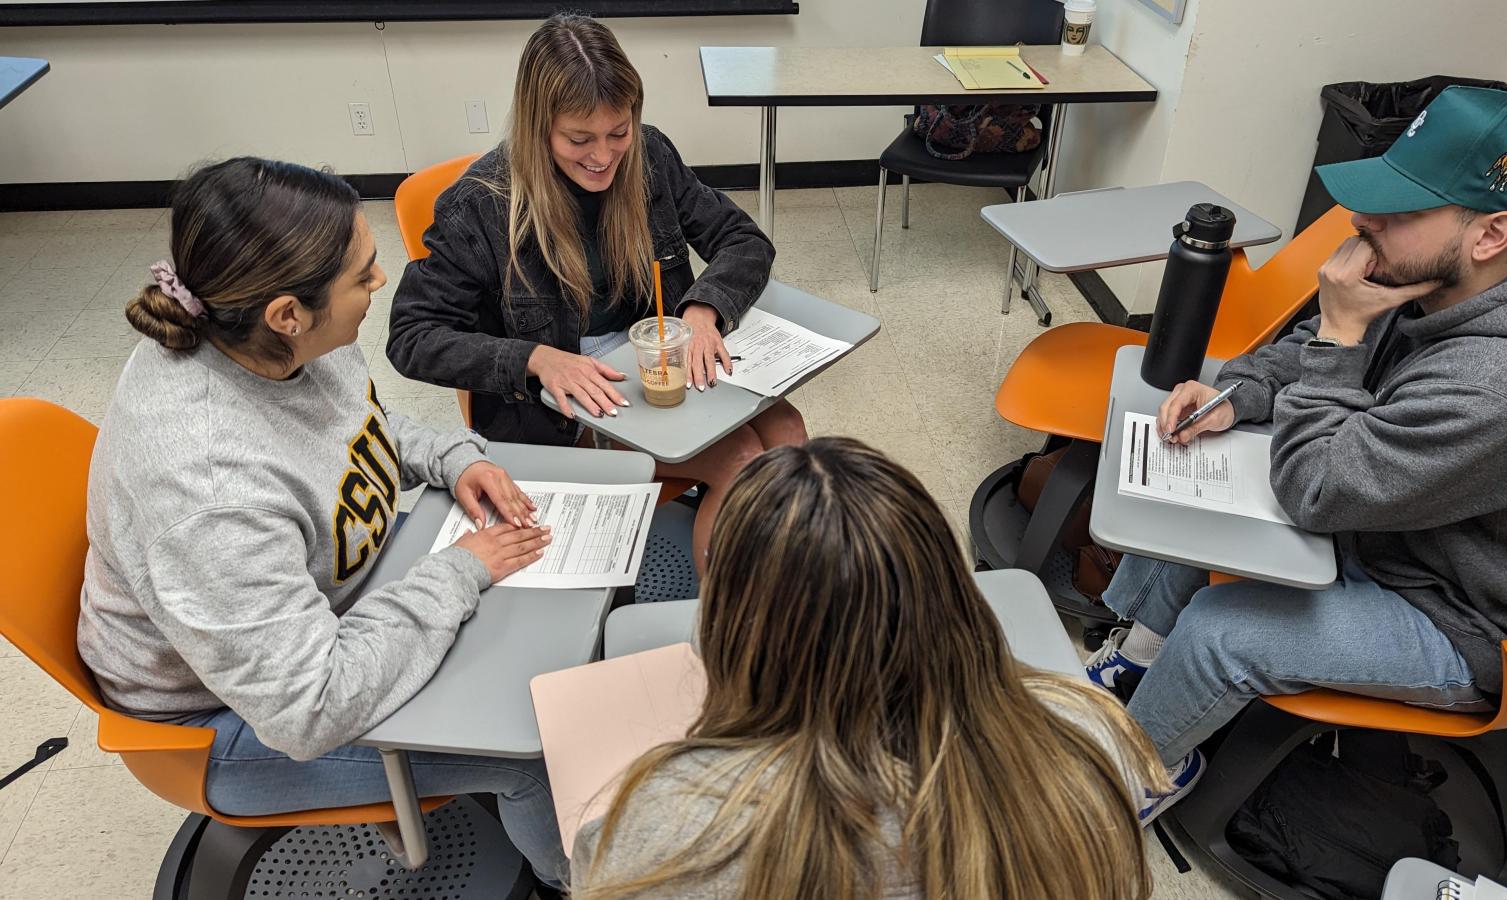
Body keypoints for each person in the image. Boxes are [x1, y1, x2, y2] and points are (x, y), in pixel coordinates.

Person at [1084, 86, 1507, 820]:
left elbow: (1319, 489)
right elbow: (1308, 354)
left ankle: (1137, 775)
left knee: (1221, 631)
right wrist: (1236, 395)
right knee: (1197, 473)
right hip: (1397, 519)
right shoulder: (1448, 274)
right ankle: (1135, 661)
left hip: (1466, 615)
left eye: (1399, 211)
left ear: (1493, 233)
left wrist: (1339, 336)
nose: (1365, 223)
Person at [77, 157, 568, 885]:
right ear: (287, 313)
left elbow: (349, 430)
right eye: (365, 276)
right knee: (534, 755)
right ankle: (581, 880)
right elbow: (310, 707)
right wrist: (462, 571)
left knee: (540, 635)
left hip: (330, 605)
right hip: (230, 717)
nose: (381, 286)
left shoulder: (269, 336)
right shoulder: (207, 492)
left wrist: (454, 457)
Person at [570, 438, 1169, 900]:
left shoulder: (671, 832)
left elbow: (602, 868)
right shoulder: (1090, 732)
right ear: (950, 590)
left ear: (734, 629)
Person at [388, 14, 805, 572]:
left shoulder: (649, 156)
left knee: (787, 430)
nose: (604, 157)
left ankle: (789, 597)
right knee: (741, 460)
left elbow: (742, 240)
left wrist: (704, 312)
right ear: (539, 128)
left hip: (649, 369)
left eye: (619, 132)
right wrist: (534, 358)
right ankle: (728, 634)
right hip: (556, 414)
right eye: (578, 139)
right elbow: (411, 336)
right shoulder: (482, 206)